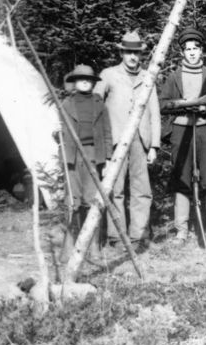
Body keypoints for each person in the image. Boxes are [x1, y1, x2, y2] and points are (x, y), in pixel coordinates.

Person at [96, 31, 161, 250]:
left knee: (141, 188)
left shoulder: (147, 76)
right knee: (116, 189)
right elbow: (95, 103)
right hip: (115, 140)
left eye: (136, 53)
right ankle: (117, 236)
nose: (133, 57)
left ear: (141, 55)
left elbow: (154, 110)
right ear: (122, 53)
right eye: (128, 53)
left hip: (140, 140)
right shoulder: (108, 75)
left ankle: (139, 234)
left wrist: (154, 145)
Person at [158, 28, 206, 245]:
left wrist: (205, 108)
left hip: (205, 131)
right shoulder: (174, 77)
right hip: (181, 131)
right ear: (182, 53)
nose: (192, 53)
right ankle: (182, 229)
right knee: (182, 179)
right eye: (188, 49)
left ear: (201, 50)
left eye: (196, 48)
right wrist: (184, 105)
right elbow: (163, 103)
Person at [58, 64, 113, 262]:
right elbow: (60, 131)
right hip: (72, 157)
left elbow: (107, 132)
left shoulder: (99, 104)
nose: (84, 82)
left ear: (92, 83)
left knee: (93, 200)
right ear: (74, 81)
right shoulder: (66, 104)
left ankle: (94, 246)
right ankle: (69, 246)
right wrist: (57, 136)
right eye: (80, 78)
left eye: (88, 79)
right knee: (73, 201)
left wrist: (107, 158)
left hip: (93, 155)